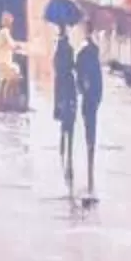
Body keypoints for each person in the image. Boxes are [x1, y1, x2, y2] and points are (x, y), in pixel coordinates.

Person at [73, 27, 107, 196]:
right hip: (92, 96)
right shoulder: (90, 57)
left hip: (89, 96)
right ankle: (90, 148)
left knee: (89, 121)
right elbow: (98, 83)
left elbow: (79, 75)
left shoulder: (83, 55)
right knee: (90, 122)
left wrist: (81, 86)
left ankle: (90, 147)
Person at [52, 24, 79, 182]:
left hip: (62, 84)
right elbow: (70, 66)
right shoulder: (67, 49)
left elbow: (57, 66)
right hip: (67, 83)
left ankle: (63, 142)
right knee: (70, 114)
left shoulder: (60, 49)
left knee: (64, 114)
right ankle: (67, 146)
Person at [0, 12, 24, 109]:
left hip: (0, 63)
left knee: (4, 80)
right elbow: (12, 45)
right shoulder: (5, 32)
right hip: (4, 63)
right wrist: (20, 46)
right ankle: (9, 101)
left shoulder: (2, 32)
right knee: (16, 75)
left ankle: (1, 102)